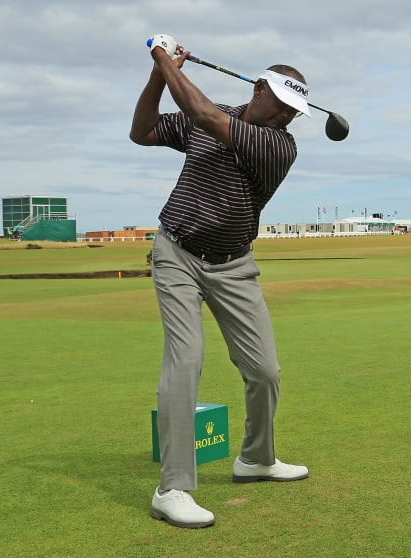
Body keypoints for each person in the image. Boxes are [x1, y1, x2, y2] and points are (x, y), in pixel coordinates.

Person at [130, 34, 311, 529]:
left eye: (296, 111)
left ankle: (255, 459)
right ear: (259, 89)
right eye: (283, 105)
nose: (287, 116)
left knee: (265, 370)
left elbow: (207, 115)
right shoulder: (211, 115)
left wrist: (164, 59)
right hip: (177, 254)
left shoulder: (278, 145)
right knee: (186, 361)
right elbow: (142, 131)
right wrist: (157, 75)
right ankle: (172, 489)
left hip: (235, 265)